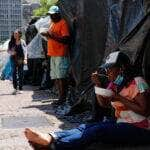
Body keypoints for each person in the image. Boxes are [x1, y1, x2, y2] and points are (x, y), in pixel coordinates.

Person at [24, 51, 150, 150]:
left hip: (141, 128)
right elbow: (104, 104)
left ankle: (55, 146)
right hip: (121, 122)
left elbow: (145, 111)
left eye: (110, 69)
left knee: (97, 131)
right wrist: (98, 85)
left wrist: (120, 98)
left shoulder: (138, 82)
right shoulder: (115, 84)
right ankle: (51, 137)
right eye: (107, 69)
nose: (107, 72)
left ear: (121, 68)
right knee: (86, 127)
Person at [41, 5, 71, 105]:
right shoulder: (52, 24)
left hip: (60, 54)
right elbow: (51, 36)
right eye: (50, 15)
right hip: (53, 54)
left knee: (62, 76)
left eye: (53, 15)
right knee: (56, 77)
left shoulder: (62, 23)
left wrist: (50, 36)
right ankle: (60, 96)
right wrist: (46, 35)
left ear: (58, 14)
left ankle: (63, 98)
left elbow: (66, 39)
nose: (51, 17)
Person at [8, 30, 27, 95]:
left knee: (20, 73)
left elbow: (25, 51)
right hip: (13, 59)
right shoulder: (11, 42)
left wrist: (25, 59)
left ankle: (21, 88)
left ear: (19, 34)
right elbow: (8, 51)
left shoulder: (22, 42)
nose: (14, 34)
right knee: (14, 73)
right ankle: (15, 88)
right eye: (14, 34)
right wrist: (11, 52)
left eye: (16, 33)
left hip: (20, 59)